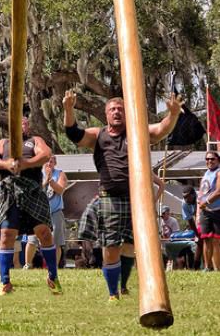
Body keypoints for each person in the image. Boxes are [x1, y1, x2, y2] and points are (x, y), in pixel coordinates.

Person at [63, 89, 182, 301]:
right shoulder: (98, 135)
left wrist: (172, 115)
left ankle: (124, 285)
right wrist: (68, 109)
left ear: (127, 113)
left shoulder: (137, 132)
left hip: (137, 199)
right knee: (110, 246)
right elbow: (74, 134)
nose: (116, 112)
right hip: (109, 197)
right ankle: (112, 293)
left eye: (120, 109)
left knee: (129, 246)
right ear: (106, 114)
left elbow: (160, 130)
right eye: (112, 109)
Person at [0, 116, 62, 295]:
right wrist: (6, 164)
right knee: (6, 235)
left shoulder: (34, 141)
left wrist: (25, 164)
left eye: (26, 124)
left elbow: (45, 154)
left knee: (44, 233)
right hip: (10, 193)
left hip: (32, 191)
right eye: (19, 123)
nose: (23, 126)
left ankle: (53, 277)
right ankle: (5, 282)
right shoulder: (3, 143)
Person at [24, 156, 67, 268]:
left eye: (51, 161)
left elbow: (60, 190)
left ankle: (54, 267)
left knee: (56, 242)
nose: (49, 163)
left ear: (55, 163)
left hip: (55, 212)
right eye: (47, 161)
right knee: (32, 240)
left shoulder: (60, 174)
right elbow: (33, 191)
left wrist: (51, 181)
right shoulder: (36, 173)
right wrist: (45, 180)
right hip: (38, 213)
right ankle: (28, 265)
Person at [198, 150, 220, 271]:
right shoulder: (206, 173)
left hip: (217, 211)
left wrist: (205, 202)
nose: (209, 161)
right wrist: (199, 208)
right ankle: (207, 267)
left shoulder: (219, 173)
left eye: (212, 159)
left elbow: (219, 192)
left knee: (216, 240)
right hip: (205, 212)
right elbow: (202, 191)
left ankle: (218, 269)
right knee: (206, 239)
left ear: (218, 160)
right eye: (207, 159)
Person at [181, 185, 202, 269]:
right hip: (197, 219)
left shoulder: (200, 197)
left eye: (187, 197)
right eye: (184, 197)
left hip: (208, 216)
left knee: (209, 241)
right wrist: (197, 234)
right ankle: (196, 267)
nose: (186, 199)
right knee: (199, 243)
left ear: (193, 195)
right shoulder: (184, 203)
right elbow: (190, 221)